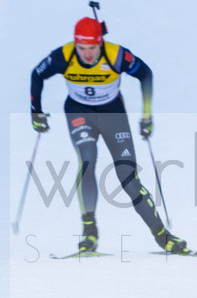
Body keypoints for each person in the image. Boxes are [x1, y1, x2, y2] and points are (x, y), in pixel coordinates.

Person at [30, 16, 188, 254]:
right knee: (87, 158)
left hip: (112, 114)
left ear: (101, 43)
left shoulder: (116, 55)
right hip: (79, 112)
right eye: (81, 48)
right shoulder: (63, 55)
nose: (87, 54)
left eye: (93, 48)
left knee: (127, 177)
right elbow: (37, 74)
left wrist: (146, 115)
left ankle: (163, 236)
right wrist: (36, 112)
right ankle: (89, 232)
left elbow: (145, 74)